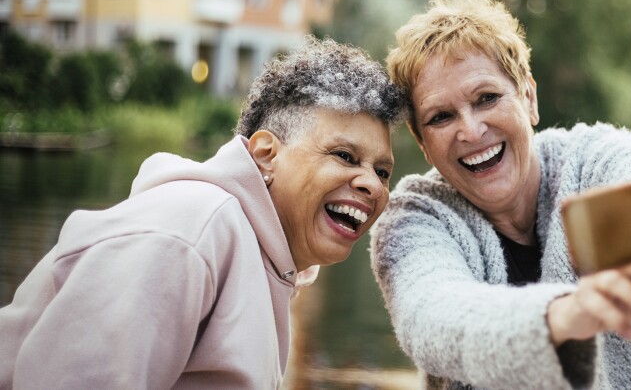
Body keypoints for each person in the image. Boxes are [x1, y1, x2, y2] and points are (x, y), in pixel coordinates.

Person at [370, 0, 631, 389]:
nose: (471, 131)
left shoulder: (593, 160)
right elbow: (432, 315)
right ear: (422, 143)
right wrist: (557, 318)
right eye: (441, 117)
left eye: (487, 98)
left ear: (529, 97)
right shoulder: (414, 218)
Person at [0, 36, 407, 388]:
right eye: (344, 155)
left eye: (383, 170)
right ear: (266, 155)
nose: (372, 184)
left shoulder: (267, 261)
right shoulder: (188, 233)